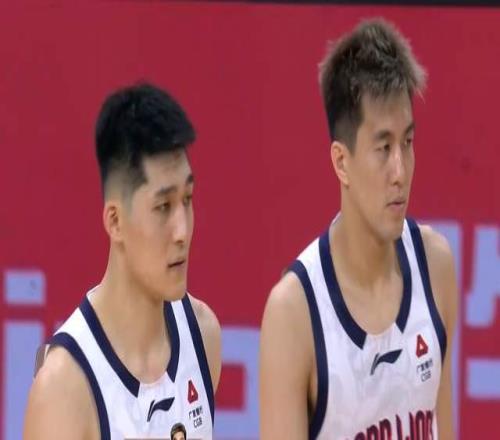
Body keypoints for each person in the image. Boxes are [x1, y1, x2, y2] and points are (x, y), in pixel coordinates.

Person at [260, 19, 457, 440]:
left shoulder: (436, 268)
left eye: (407, 143)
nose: (400, 171)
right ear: (341, 162)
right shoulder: (293, 314)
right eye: (383, 148)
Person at [24, 83, 221, 439]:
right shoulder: (64, 389)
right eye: (163, 207)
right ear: (115, 221)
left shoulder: (203, 335)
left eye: (187, 199)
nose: (182, 231)